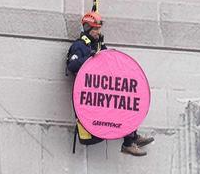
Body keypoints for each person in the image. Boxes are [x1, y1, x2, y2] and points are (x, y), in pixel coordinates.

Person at [66, 10, 154, 156]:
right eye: (95, 28)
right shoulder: (79, 46)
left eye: (99, 28)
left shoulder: (99, 45)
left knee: (123, 104)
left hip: (102, 91)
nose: (98, 31)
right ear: (87, 28)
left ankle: (130, 139)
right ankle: (129, 141)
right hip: (90, 96)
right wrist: (88, 58)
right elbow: (72, 65)